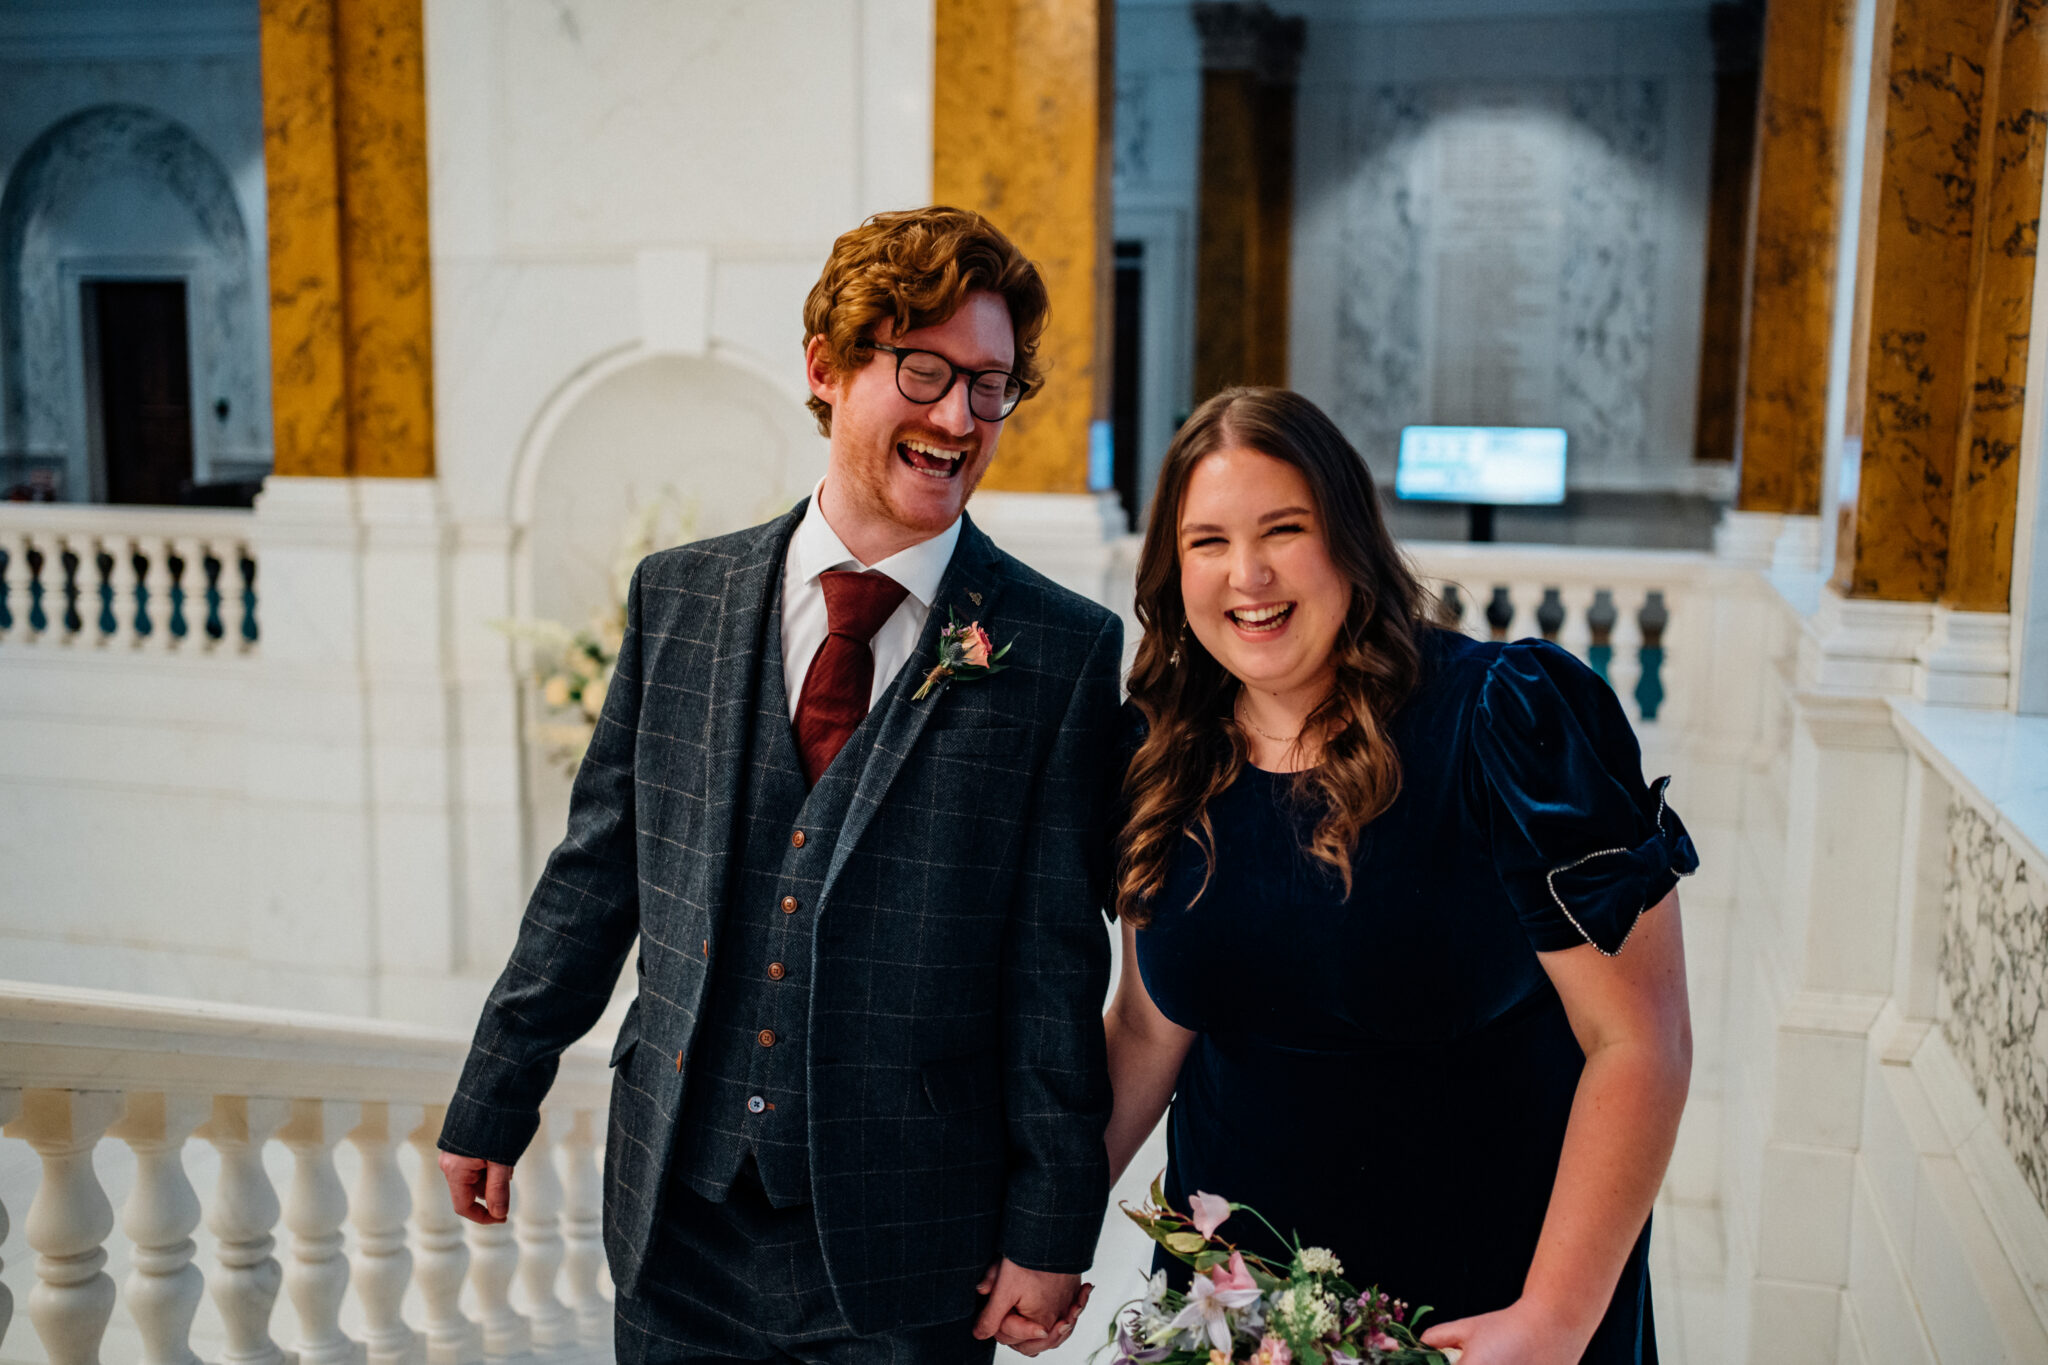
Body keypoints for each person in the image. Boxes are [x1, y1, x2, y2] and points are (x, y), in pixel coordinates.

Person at [437, 207, 1121, 1364]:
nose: (959, 419)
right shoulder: (681, 599)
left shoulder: (1057, 652)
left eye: (990, 384)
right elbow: (595, 877)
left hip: (904, 1248)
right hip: (676, 1221)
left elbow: (1054, 973)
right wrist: (497, 1088)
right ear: (827, 368)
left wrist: (1051, 1227)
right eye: (925, 372)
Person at [1102, 387, 1697, 1365]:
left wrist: (1551, 1318)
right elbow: (1146, 1025)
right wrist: (1037, 1234)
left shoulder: (1508, 724)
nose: (1244, 574)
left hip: (1479, 1314)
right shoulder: (1161, 754)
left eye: (1281, 530)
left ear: (1347, 539)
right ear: (1172, 571)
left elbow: (1637, 1038)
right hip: (1237, 1319)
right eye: (1205, 542)